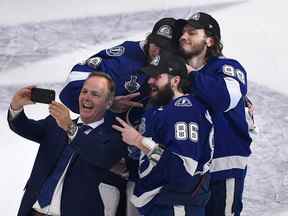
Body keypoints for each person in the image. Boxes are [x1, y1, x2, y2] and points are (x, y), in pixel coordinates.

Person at [8, 72, 127, 216]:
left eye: (95, 94)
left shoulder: (114, 138)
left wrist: (71, 128)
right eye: (84, 91)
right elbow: (23, 126)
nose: (87, 97)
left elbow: (100, 155)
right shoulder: (55, 123)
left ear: (109, 103)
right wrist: (16, 106)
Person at [113, 51, 213, 216]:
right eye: (150, 76)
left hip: (176, 206)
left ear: (175, 80)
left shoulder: (185, 111)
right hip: (161, 204)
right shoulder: (158, 109)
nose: (150, 81)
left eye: (157, 76)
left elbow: (181, 171)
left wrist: (139, 141)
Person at [178, 12, 252, 216]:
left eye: (192, 33)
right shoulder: (177, 73)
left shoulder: (227, 67)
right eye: (183, 33)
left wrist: (191, 75)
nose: (184, 36)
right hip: (190, 173)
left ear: (210, 40)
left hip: (223, 168)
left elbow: (225, 99)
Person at [59, 17, 179, 115]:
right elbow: (72, 83)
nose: (158, 52)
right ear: (149, 40)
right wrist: (107, 103)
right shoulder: (123, 63)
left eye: (166, 48)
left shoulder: (179, 62)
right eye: (156, 44)